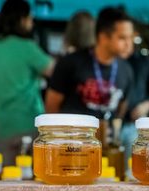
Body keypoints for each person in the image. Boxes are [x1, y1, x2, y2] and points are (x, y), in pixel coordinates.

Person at [45, 6, 134, 142]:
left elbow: (121, 108)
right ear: (103, 37)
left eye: (130, 38)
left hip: (106, 144)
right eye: (122, 38)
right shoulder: (71, 62)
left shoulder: (126, 69)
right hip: (71, 142)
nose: (129, 44)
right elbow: (51, 105)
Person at [0, 0, 54, 165]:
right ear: (22, 20)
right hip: (28, 123)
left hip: (3, 126)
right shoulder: (26, 47)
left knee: (9, 178)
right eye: (30, 18)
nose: (32, 22)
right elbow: (53, 70)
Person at [119, 31, 149, 166]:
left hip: (134, 124)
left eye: (129, 38)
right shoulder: (110, 61)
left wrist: (146, 105)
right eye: (121, 38)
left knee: (133, 167)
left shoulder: (144, 61)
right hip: (108, 124)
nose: (126, 43)